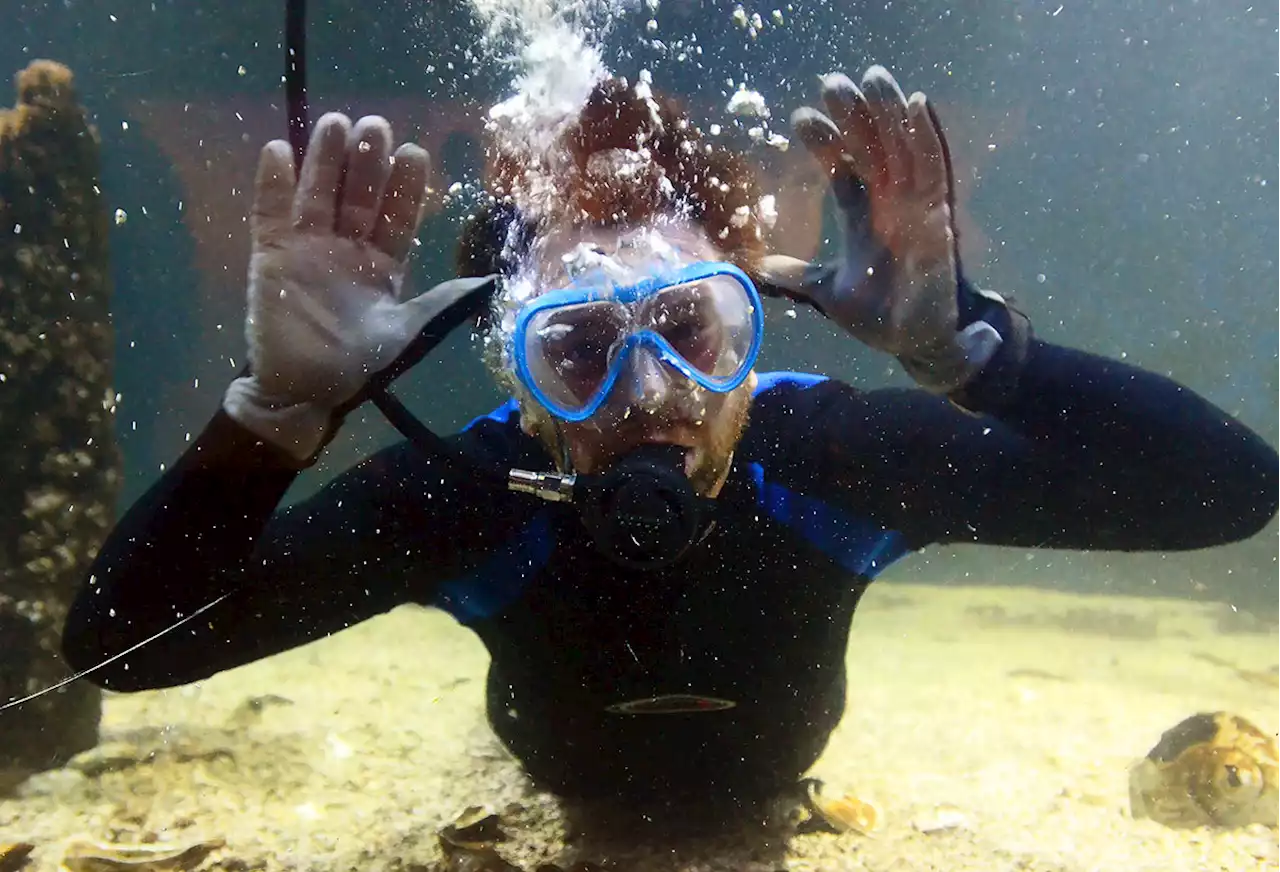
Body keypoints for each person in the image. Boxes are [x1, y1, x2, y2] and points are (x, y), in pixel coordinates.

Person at [63, 66, 1279, 824]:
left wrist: (976, 354)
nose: (654, 392)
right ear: (513, 368)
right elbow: (122, 646)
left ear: (747, 333)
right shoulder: (468, 491)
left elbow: (1225, 492)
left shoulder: (828, 450)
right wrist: (270, 418)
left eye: (693, 331)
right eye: (580, 347)